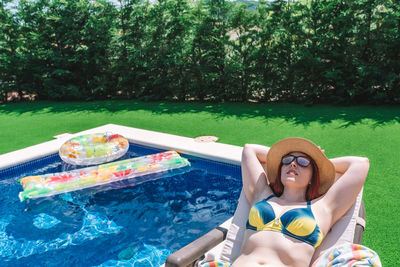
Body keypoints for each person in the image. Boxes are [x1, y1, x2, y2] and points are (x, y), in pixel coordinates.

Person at [232, 137, 370, 267]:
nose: (293, 163)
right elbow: (249, 149)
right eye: (287, 160)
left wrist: (320, 161)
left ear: (313, 176)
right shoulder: (261, 193)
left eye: (303, 162)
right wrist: (290, 158)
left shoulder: (323, 207)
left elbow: (360, 164)